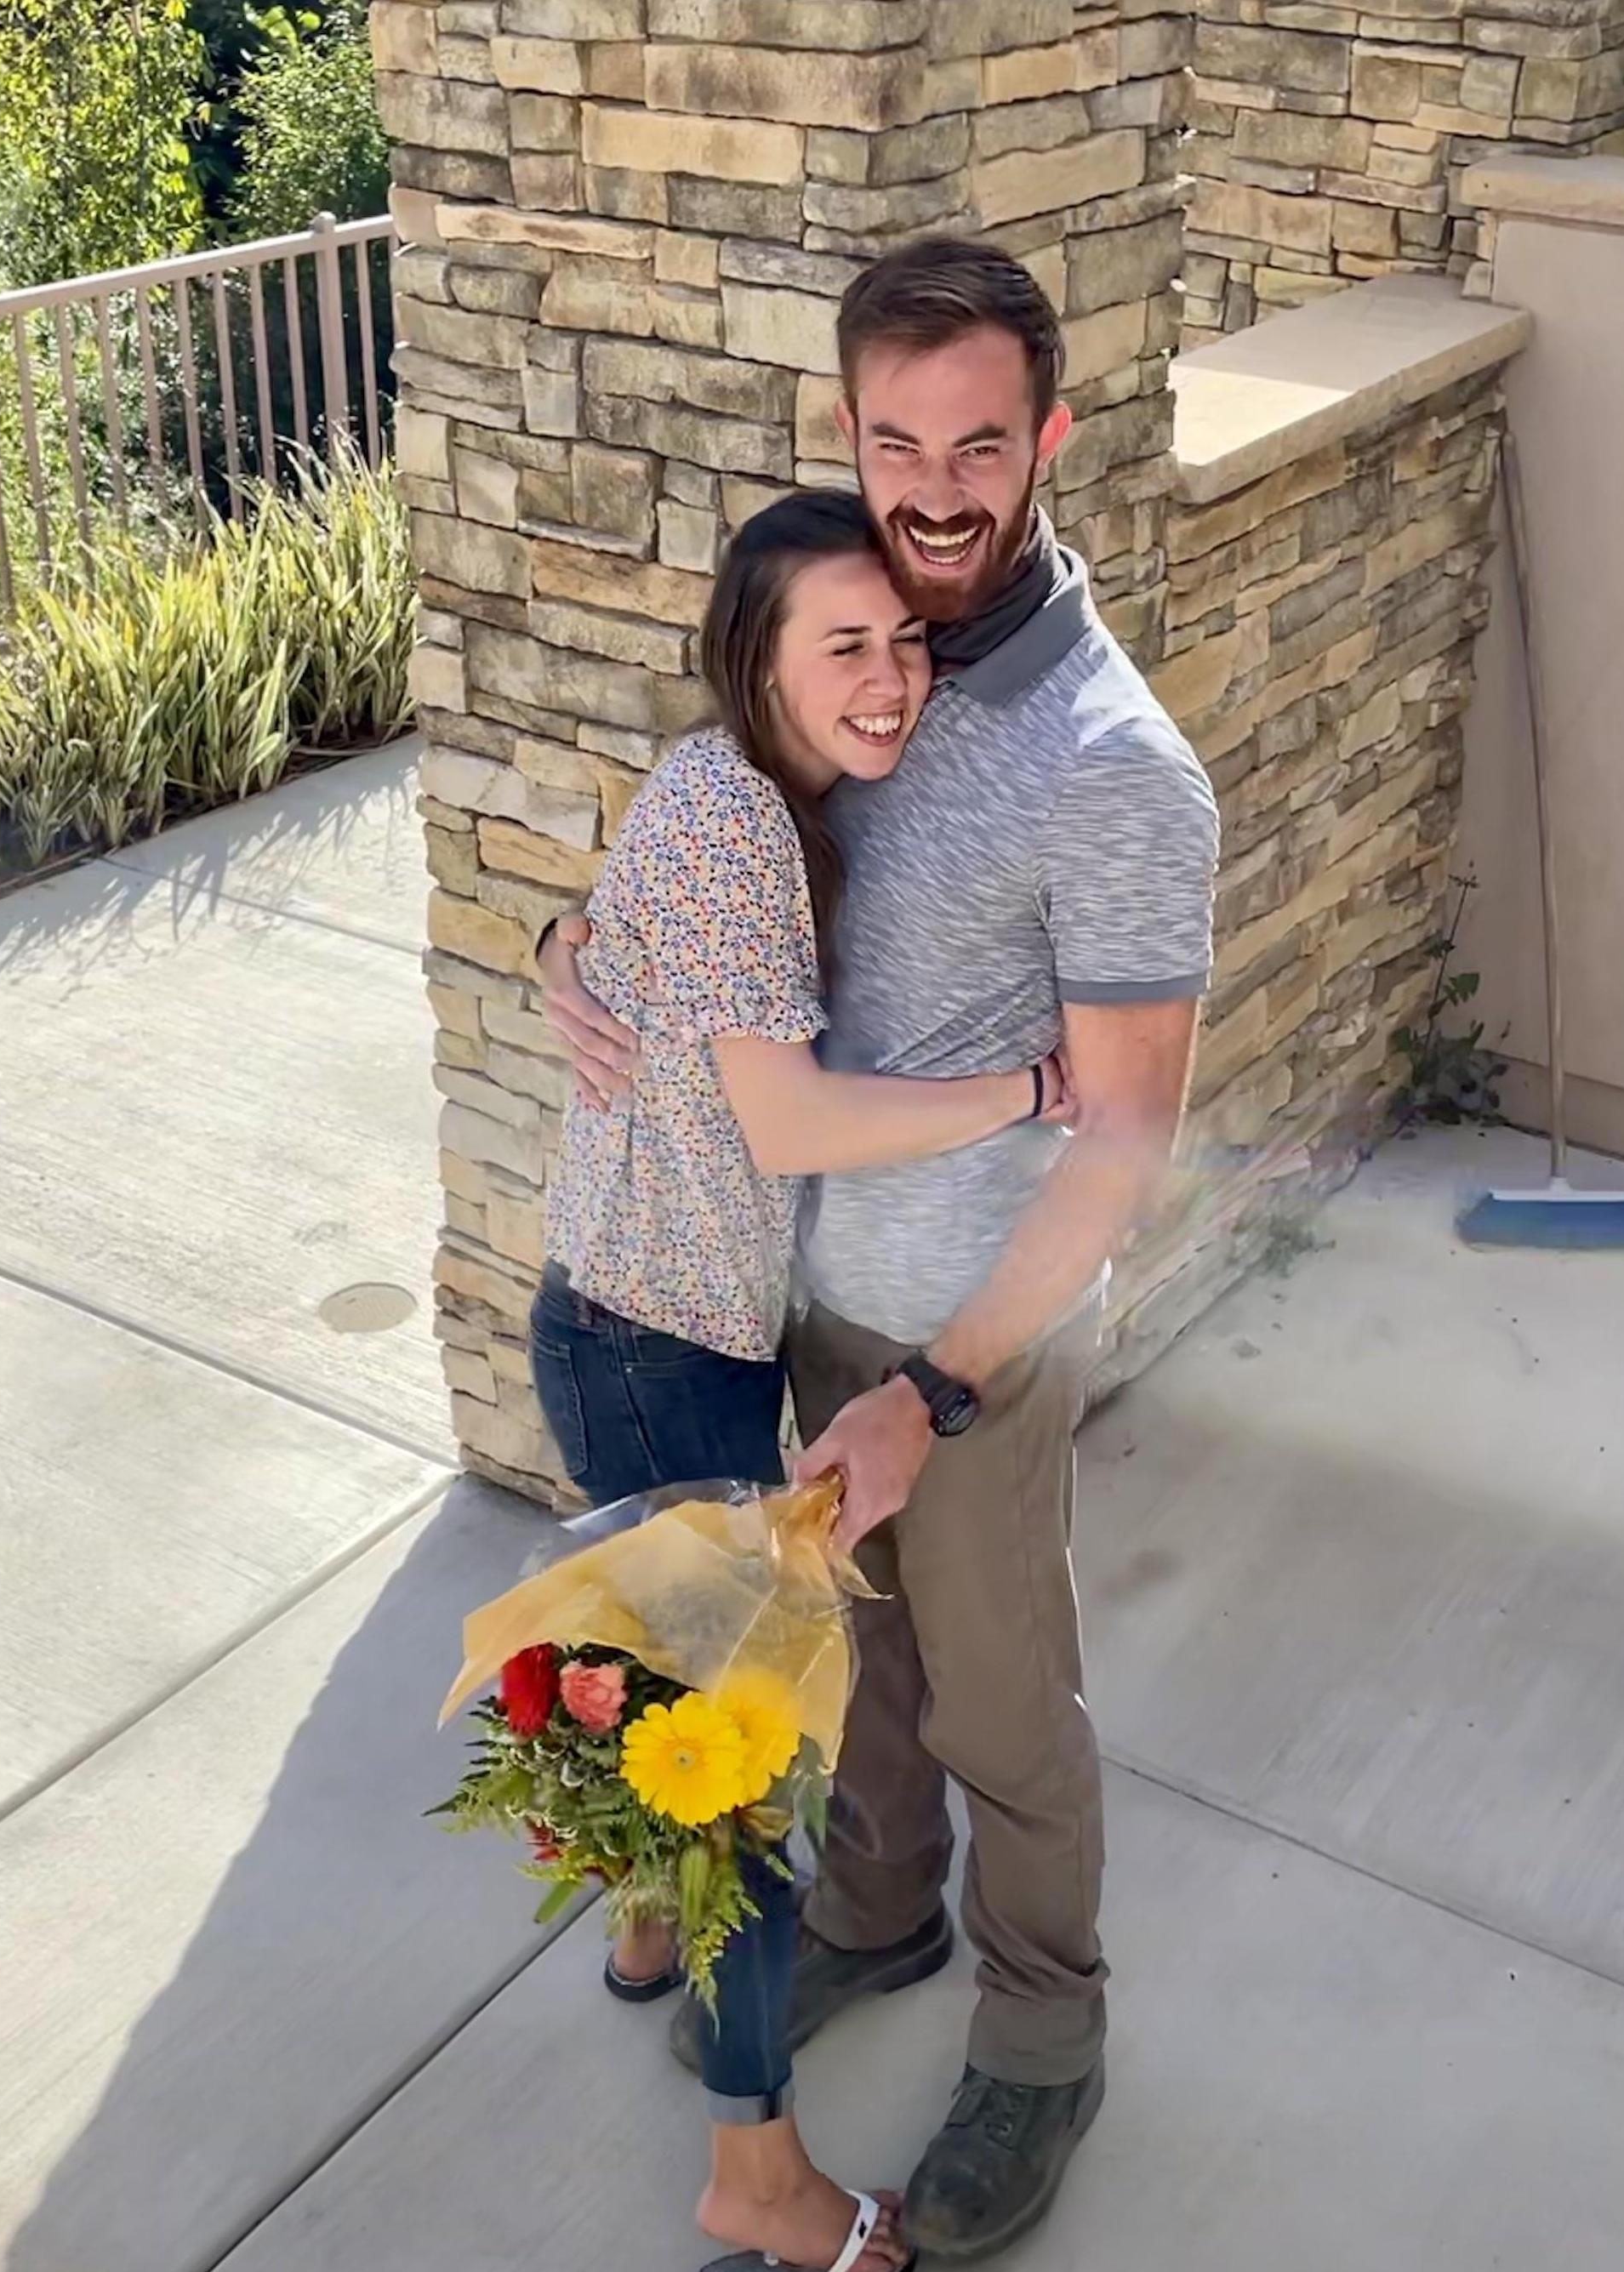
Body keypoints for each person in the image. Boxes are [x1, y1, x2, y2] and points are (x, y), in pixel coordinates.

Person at [542, 236, 1221, 2261]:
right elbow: (704, 873)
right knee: (864, 1676)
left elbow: (1125, 1138)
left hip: (971, 1338)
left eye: (980, 443)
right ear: (849, 433)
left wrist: (938, 1389)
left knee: (1005, 1704)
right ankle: (867, 1908)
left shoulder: (1112, 770)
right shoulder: (850, 653)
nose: (935, 485)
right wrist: (569, 951)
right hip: (795, 1301)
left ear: (1052, 441)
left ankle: (1041, 2033)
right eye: (895, 437)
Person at [527, 487, 1073, 2272]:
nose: (892, 672)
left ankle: (629, 1926)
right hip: (651, 1350)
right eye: (843, 643)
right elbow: (785, 1111)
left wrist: (563, 954)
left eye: (904, 637)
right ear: (752, 658)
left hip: (639, 1328)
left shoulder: (740, 797)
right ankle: (754, 2174)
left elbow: (634, 966)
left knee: (644, 1682)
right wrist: (1026, 1092)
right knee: (739, 1778)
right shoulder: (740, 818)